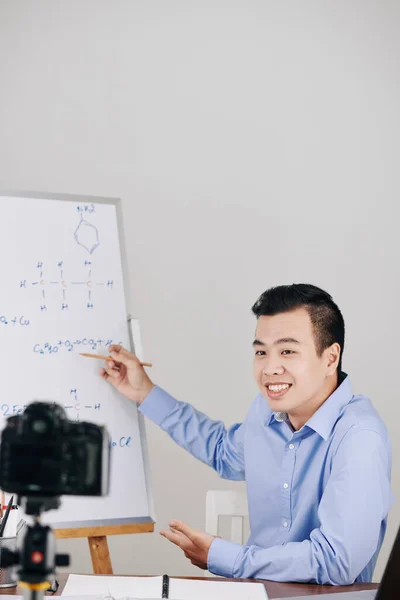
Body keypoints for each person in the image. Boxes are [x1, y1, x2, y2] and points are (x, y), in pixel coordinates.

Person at [101, 283, 392, 584]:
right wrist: (145, 392)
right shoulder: (266, 411)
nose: (269, 368)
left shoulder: (360, 437)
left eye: (287, 351)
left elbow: (336, 561)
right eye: (261, 352)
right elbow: (222, 453)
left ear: (330, 358)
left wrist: (226, 557)